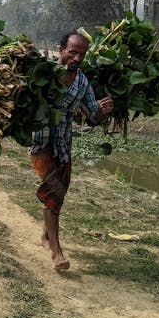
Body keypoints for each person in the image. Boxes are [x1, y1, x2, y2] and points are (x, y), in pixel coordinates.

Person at [30, 32, 113, 271]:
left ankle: (46, 236)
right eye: (73, 52)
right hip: (40, 142)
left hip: (63, 145)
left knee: (59, 193)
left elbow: (92, 115)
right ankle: (56, 252)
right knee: (51, 190)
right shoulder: (42, 72)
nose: (77, 58)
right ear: (61, 50)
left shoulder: (82, 82)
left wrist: (102, 111)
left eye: (82, 54)